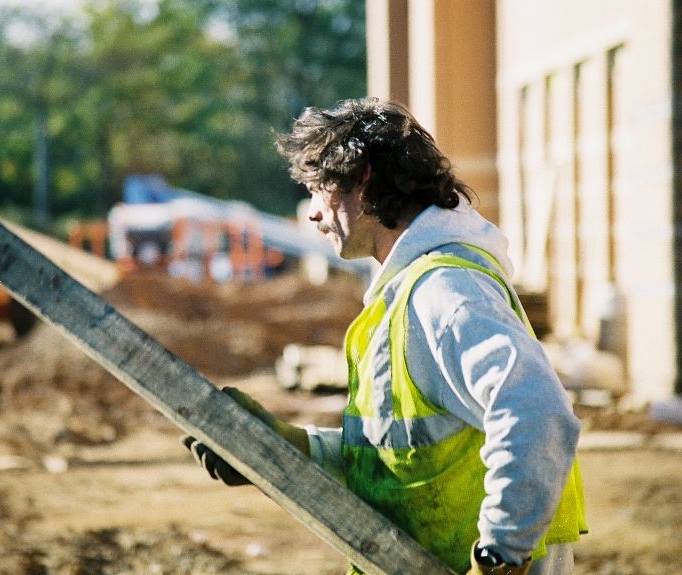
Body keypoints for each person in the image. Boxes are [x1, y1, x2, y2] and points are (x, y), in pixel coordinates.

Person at [182, 98, 587, 575]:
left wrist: (499, 557)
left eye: (317, 190)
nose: (312, 213)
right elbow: (405, 456)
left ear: (363, 179)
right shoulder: (410, 292)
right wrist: (298, 446)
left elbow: (538, 412)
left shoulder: (445, 292)